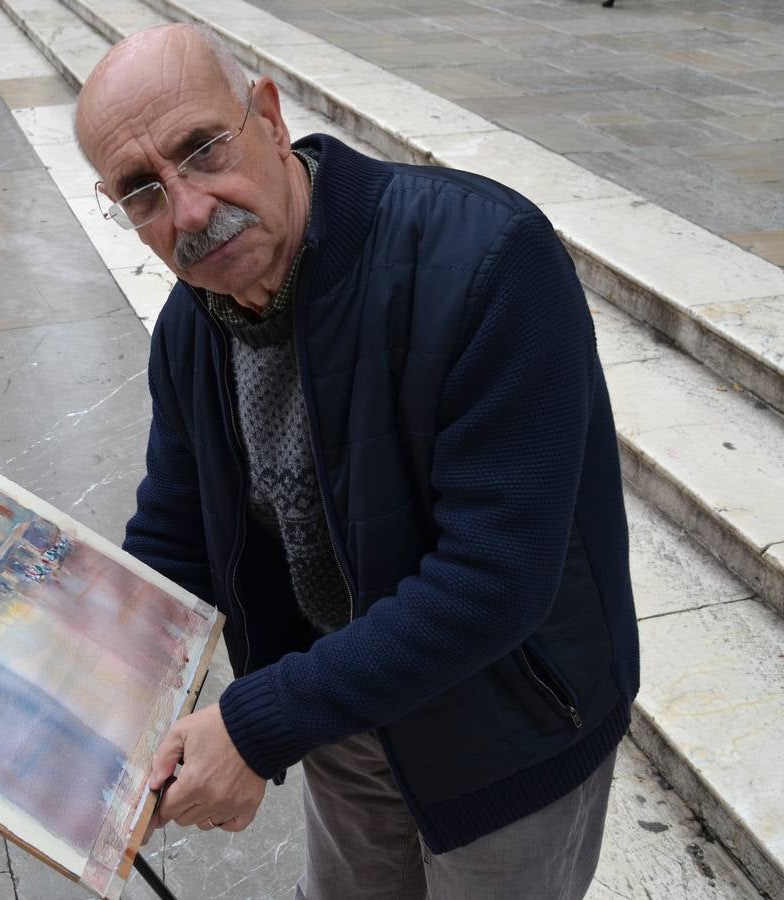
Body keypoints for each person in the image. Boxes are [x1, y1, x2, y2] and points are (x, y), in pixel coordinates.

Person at [75, 24, 639, 900]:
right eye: (142, 191)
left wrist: (259, 726)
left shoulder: (488, 262)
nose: (188, 211)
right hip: (343, 712)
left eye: (203, 149)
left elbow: (494, 578)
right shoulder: (194, 325)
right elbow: (177, 529)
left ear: (268, 115)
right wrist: (78, 675)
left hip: (507, 724)